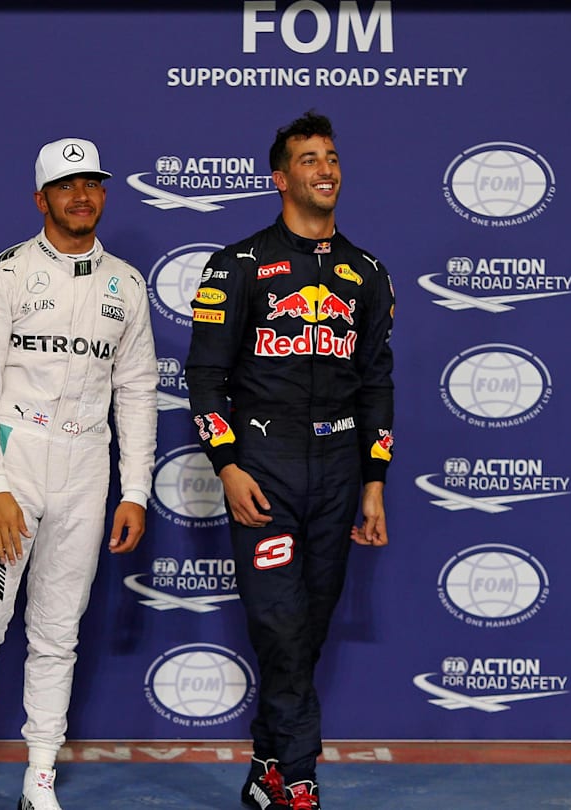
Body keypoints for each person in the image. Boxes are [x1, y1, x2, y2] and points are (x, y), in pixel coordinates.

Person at [0, 138, 159, 810]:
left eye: (92, 183)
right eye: (66, 185)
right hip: (15, 457)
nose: (81, 196)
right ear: (41, 199)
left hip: (87, 466)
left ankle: (40, 778)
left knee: (60, 630)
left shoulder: (127, 284)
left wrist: (135, 490)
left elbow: (138, 390)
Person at [185, 110, 395, 810]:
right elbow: (205, 377)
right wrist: (228, 464)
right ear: (281, 178)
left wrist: (374, 480)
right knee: (278, 622)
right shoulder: (238, 264)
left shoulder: (366, 273)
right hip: (264, 465)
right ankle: (300, 777)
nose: (325, 168)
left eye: (332, 156)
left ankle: (266, 764)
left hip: (338, 466)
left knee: (309, 623)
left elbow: (376, 383)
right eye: (309, 159)